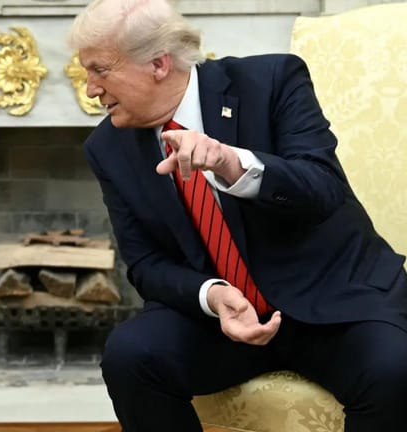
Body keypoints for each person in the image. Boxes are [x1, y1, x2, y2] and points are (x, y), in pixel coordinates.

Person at [66, 0, 407, 431]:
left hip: (332, 299)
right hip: (221, 321)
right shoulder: (107, 148)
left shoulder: (273, 80)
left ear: (158, 63)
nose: (90, 89)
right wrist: (211, 295)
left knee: (394, 370)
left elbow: (323, 189)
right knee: (130, 356)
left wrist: (233, 165)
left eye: (100, 70)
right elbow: (146, 264)